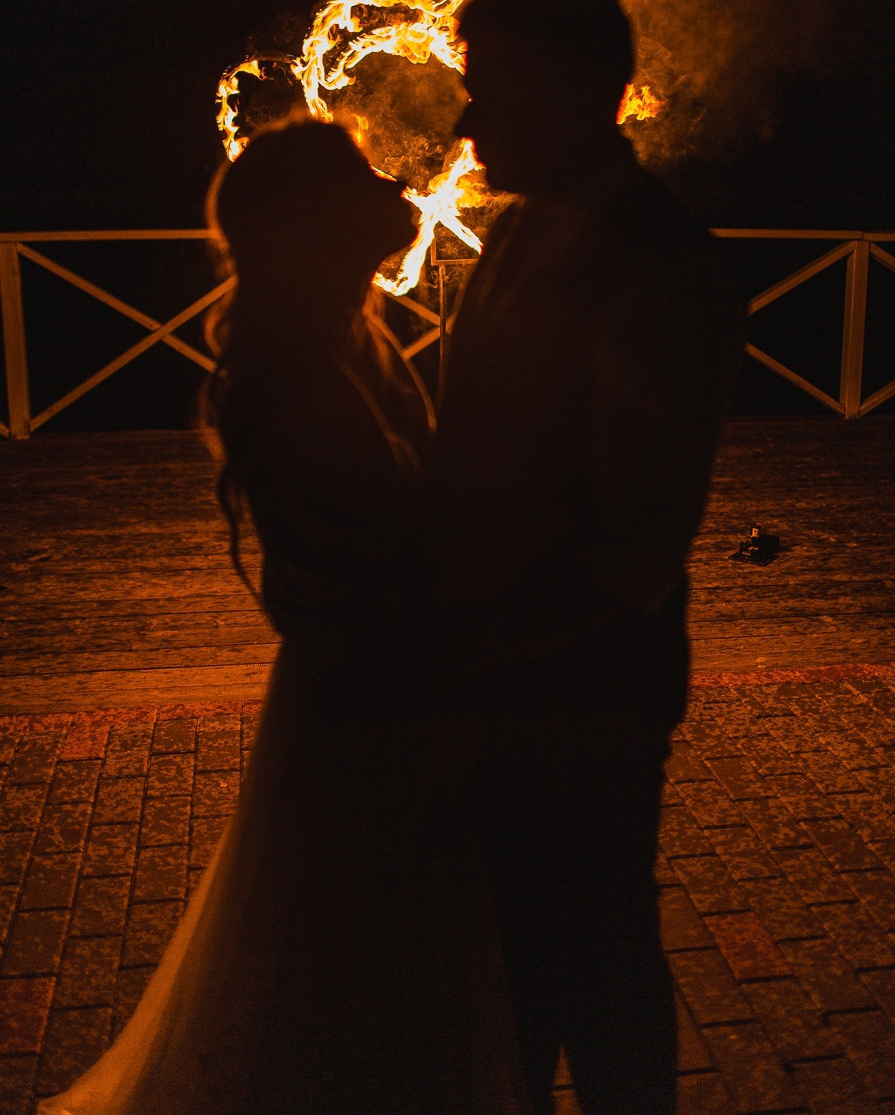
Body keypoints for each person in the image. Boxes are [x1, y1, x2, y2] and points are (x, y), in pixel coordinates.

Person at [39, 118, 531, 1115]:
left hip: (364, 686)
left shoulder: (346, 338)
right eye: (357, 179)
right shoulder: (305, 378)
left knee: (363, 959)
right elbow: (382, 556)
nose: (391, 185)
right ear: (311, 226)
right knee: (365, 958)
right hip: (370, 700)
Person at [423, 0, 747, 1114]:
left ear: (573, 90)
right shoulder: (516, 233)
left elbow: (635, 541)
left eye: (488, 89)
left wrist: (462, 651)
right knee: (531, 952)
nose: (465, 120)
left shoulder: (661, 261)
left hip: (582, 690)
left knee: (591, 954)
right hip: (518, 678)